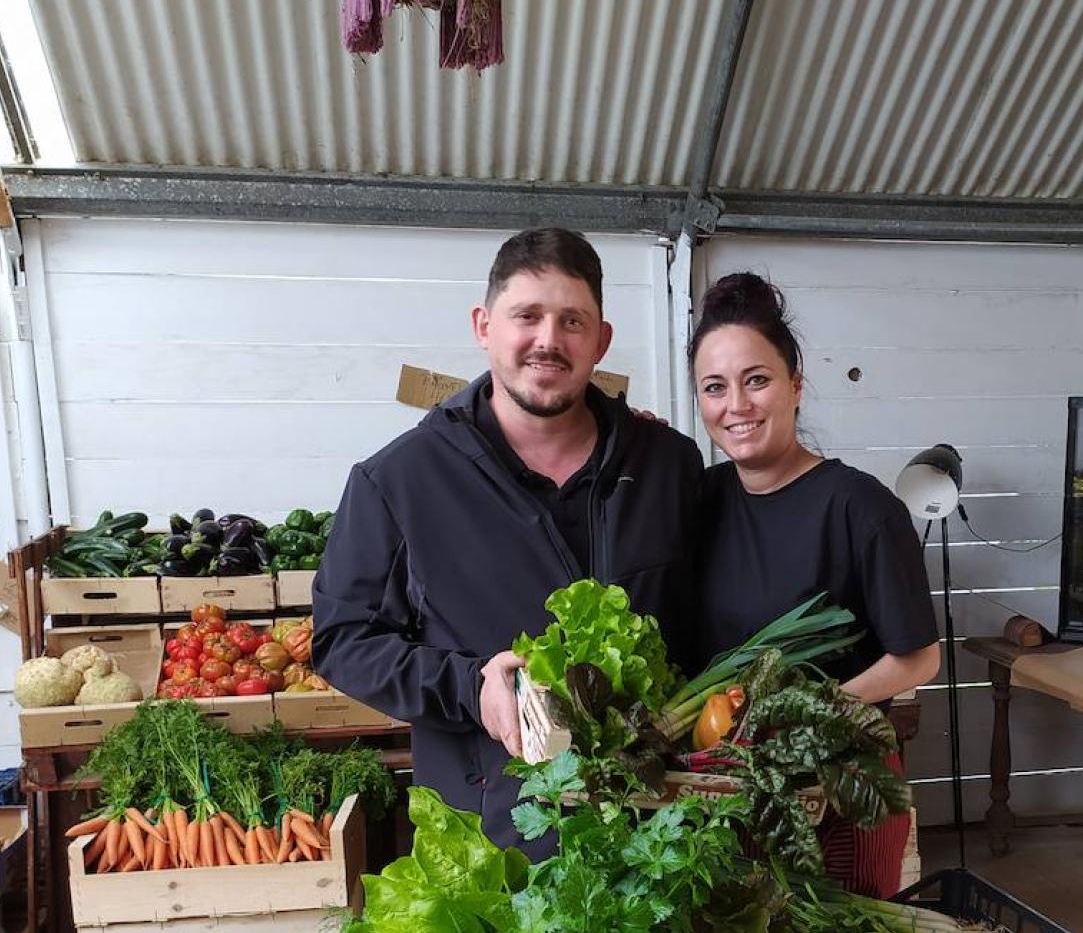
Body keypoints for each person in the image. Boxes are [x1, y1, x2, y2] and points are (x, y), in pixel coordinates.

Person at [311, 228, 702, 853]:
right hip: (492, 835)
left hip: (656, 834)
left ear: (600, 341)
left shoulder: (668, 466)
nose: (548, 340)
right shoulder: (399, 481)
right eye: (527, 316)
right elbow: (342, 640)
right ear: (484, 325)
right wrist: (469, 687)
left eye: (572, 321)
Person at [689, 272, 940, 897]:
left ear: (795, 385)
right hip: (730, 784)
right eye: (715, 388)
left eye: (757, 380)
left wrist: (809, 721)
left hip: (841, 785)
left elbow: (919, 657)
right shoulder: (699, 502)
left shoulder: (860, 506)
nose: (736, 406)